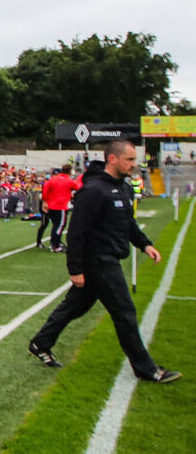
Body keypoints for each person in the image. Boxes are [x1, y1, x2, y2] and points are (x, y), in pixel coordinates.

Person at [28, 140, 180, 383]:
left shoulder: (124, 188)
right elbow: (77, 232)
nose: (134, 164)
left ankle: (40, 343)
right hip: (98, 260)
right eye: (129, 160)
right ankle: (147, 369)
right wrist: (75, 268)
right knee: (124, 311)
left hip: (109, 257)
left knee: (75, 306)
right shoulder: (94, 190)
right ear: (112, 159)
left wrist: (145, 244)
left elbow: (128, 223)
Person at [38, 164, 80, 252]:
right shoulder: (69, 181)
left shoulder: (52, 180)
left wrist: (45, 202)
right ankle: (55, 245)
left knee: (56, 225)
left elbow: (45, 191)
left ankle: (55, 243)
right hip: (60, 206)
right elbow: (79, 188)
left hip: (50, 205)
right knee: (59, 226)